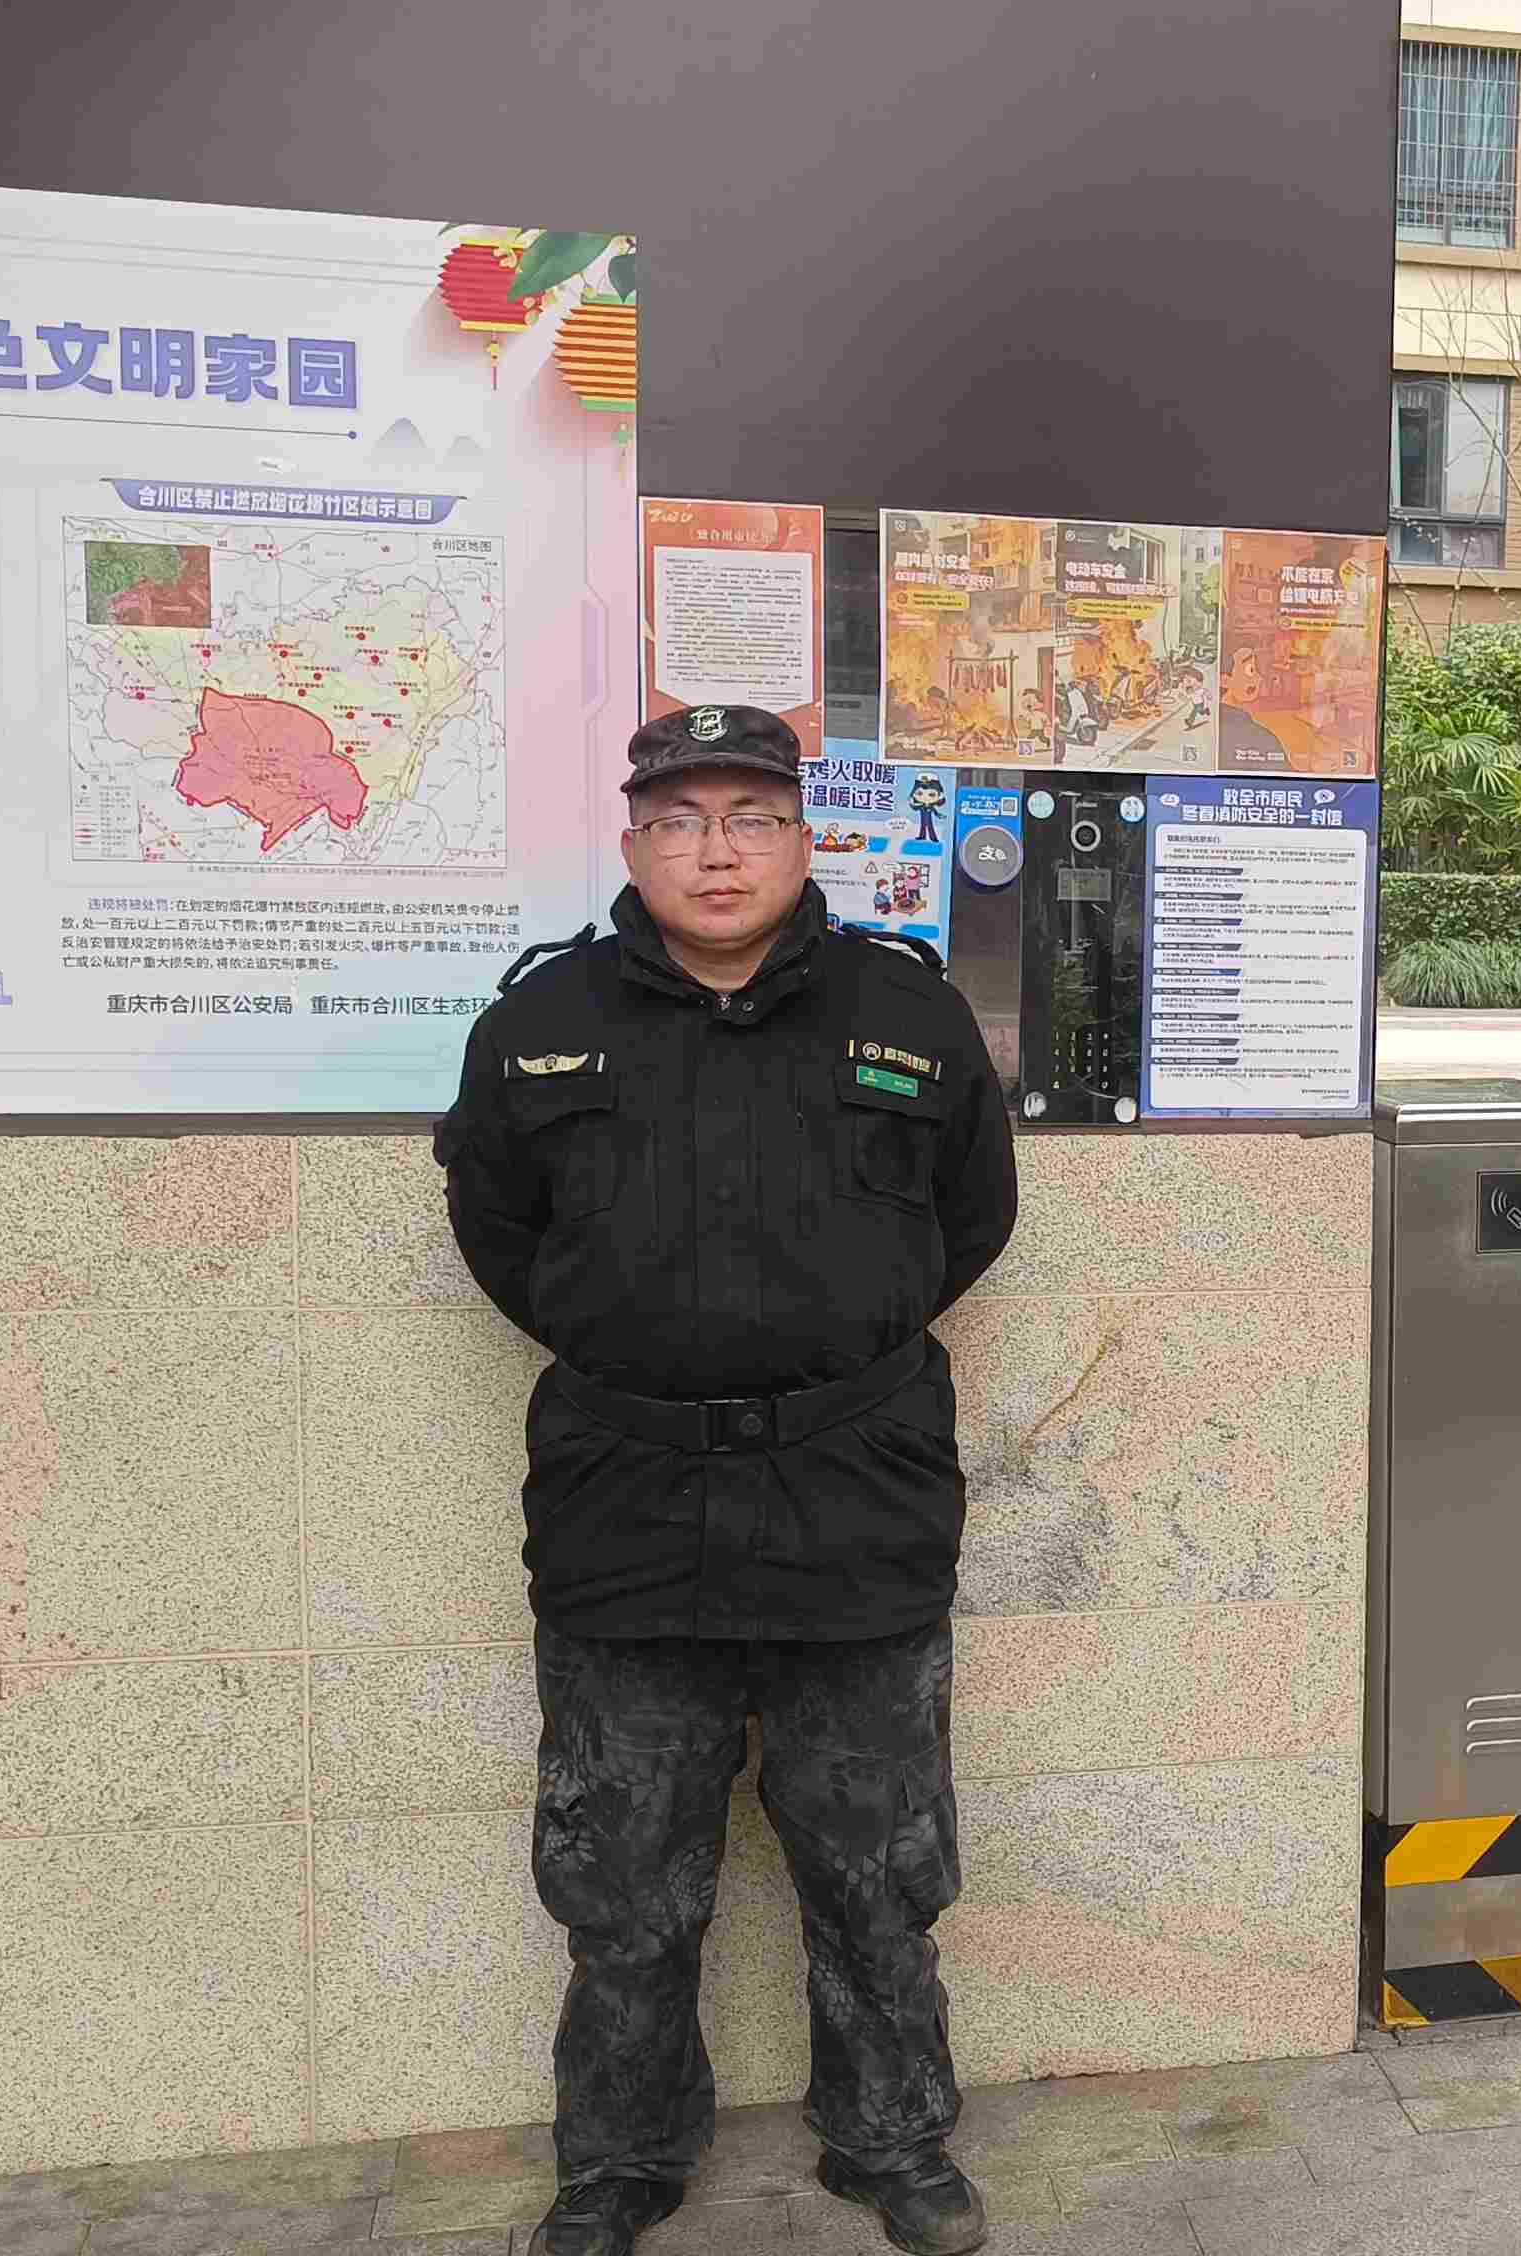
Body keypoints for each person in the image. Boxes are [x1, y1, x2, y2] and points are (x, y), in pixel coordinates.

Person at [437, 704, 1017, 2256]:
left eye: (751, 818)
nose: (717, 851)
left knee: (879, 1870)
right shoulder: (540, 1023)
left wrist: (822, 1355)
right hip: (628, 1506)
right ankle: (621, 2160)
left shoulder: (909, 1016)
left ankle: (892, 2138)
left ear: (802, 840)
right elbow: (499, 1235)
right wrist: (645, 1347)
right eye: (682, 819)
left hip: (856, 1499)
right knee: (622, 1885)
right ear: (634, 843)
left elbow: (970, 1220)